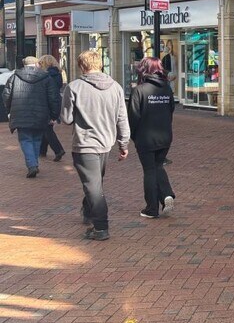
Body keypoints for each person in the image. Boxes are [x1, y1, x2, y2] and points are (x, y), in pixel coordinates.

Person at [61, 51, 130, 241]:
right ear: (100, 64)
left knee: (94, 187)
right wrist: (123, 144)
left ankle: (101, 227)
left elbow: (66, 119)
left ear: (81, 66)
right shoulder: (115, 87)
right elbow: (122, 118)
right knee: (95, 183)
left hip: (85, 144)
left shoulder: (74, 87)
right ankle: (88, 211)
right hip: (105, 144)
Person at [128, 57, 176, 219]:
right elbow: (170, 111)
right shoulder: (167, 89)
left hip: (145, 138)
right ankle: (166, 195)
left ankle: (151, 208)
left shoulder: (139, 90)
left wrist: (133, 136)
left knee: (149, 170)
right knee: (157, 167)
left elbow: (133, 117)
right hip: (165, 136)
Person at [2, 56, 60, 178]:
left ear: (24, 64)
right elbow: (53, 98)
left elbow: (6, 95)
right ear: (37, 64)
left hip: (20, 114)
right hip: (41, 114)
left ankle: (32, 165)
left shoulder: (14, 77)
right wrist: (54, 115)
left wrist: (9, 110)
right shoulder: (46, 78)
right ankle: (34, 164)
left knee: (25, 139)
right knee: (37, 139)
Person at [38, 55, 66, 162]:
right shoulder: (57, 74)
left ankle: (58, 150)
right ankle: (42, 150)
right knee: (46, 127)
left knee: (46, 128)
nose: (39, 66)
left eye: (40, 63)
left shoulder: (47, 75)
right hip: (54, 102)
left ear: (45, 63)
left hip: (47, 103)